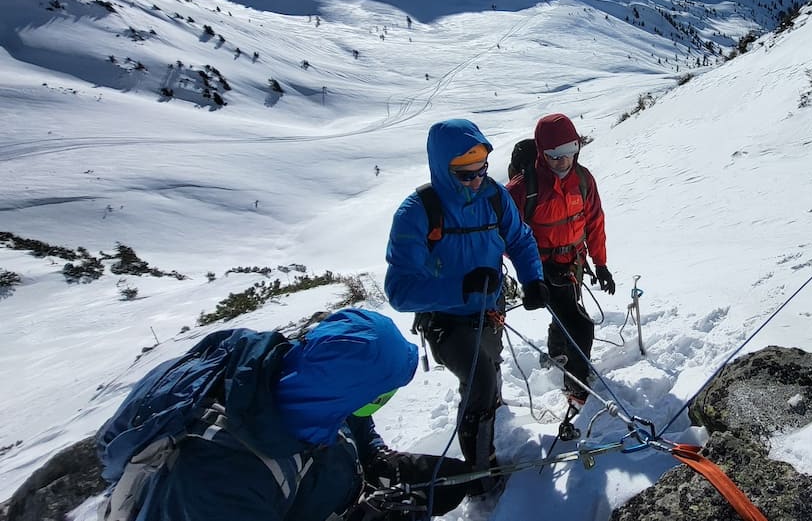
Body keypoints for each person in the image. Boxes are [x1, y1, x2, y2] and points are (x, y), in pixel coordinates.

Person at [95, 308, 472, 521]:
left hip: (329, 485)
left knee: (451, 481)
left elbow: (353, 411)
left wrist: (374, 455)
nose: (378, 404)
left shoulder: (299, 374)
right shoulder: (219, 478)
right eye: (381, 395)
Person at [383, 119, 544, 492]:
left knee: (491, 362)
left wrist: (532, 278)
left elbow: (519, 239)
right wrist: (460, 287)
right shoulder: (418, 211)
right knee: (480, 380)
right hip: (446, 319)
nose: (476, 180)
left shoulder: (494, 196)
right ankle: (480, 470)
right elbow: (399, 290)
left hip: (490, 309)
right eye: (465, 174)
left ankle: (491, 415)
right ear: (442, 168)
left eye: (482, 170)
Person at [505, 113, 613, 412]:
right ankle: (576, 388)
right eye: (555, 156)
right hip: (542, 271)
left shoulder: (582, 179)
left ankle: (556, 354)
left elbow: (594, 221)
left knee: (567, 311)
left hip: (573, 264)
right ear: (542, 152)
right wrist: (533, 269)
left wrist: (600, 263)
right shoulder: (521, 190)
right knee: (581, 326)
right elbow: (502, 237)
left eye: (571, 153)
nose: (565, 162)